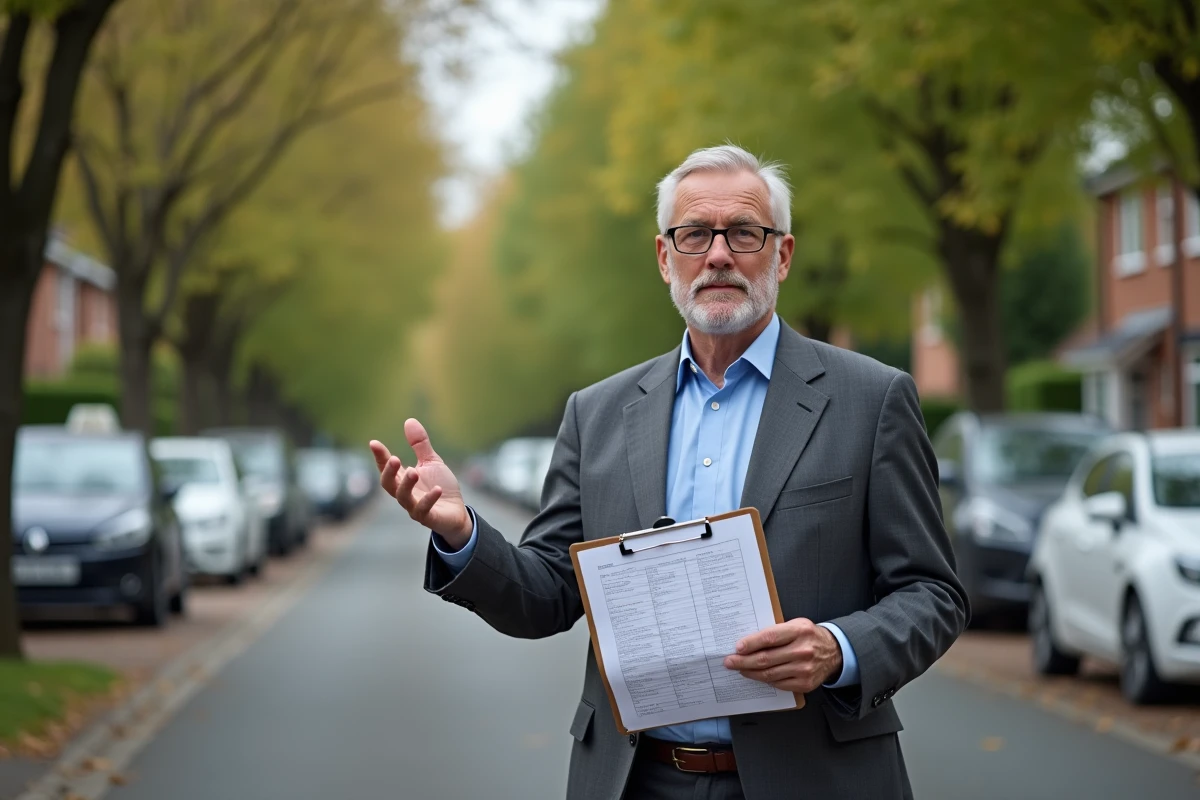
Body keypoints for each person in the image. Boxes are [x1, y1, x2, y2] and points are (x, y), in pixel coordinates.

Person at [370, 144, 968, 800]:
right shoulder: (596, 414)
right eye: (695, 235)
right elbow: (548, 595)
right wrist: (461, 533)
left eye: (744, 233)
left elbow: (933, 592)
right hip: (636, 780)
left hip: (816, 779)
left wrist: (838, 648)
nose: (718, 255)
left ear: (782, 255)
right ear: (664, 257)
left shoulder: (871, 400)